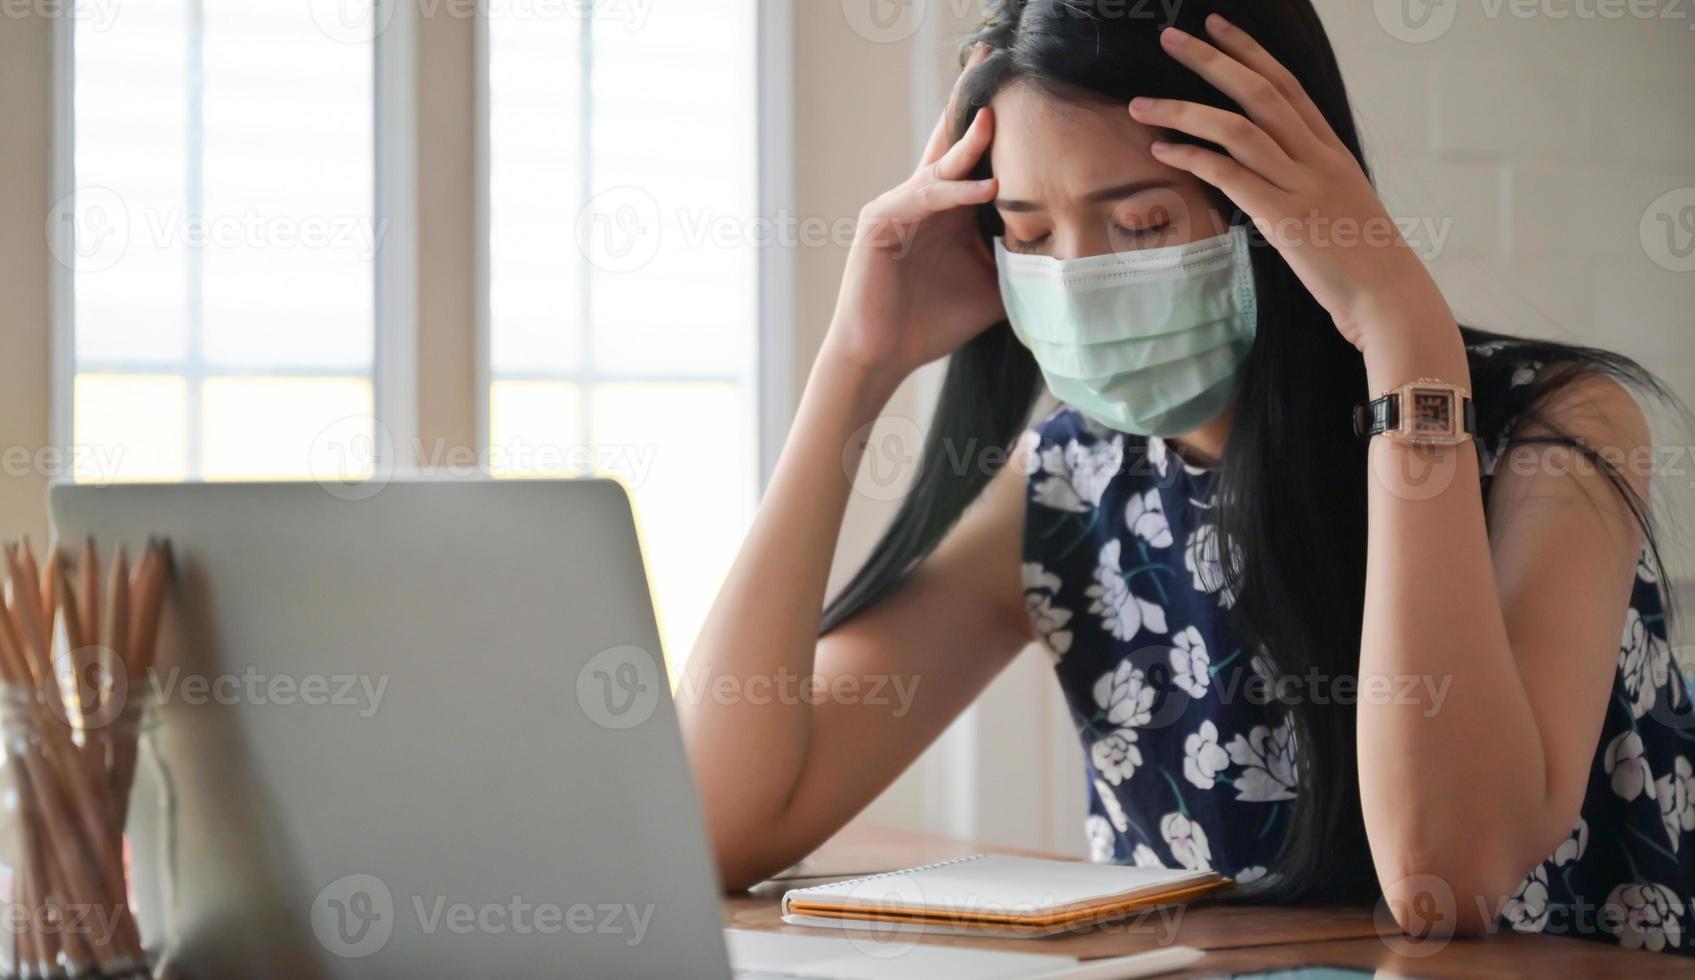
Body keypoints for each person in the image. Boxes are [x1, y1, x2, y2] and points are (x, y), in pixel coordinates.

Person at [679, 0, 1690, 953]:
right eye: (1028, 234)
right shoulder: (1072, 488)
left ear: (1281, 195)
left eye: (1145, 222)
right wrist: (854, 368)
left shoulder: (1553, 432)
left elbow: (1448, 876)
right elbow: (716, 823)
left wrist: (1402, 334)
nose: (1076, 277)